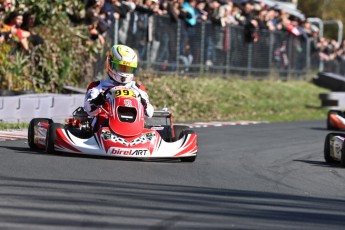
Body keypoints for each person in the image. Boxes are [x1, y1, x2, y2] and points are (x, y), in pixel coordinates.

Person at [84, 44, 154, 131]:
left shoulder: (138, 88)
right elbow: (88, 110)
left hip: (134, 128)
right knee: (100, 120)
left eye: (128, 69)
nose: (124, 72)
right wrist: (98, 101)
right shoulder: (98, 86)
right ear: (110, 64)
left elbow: (149, 114)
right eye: (121, 67)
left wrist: (145, 105)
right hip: (105, 128)